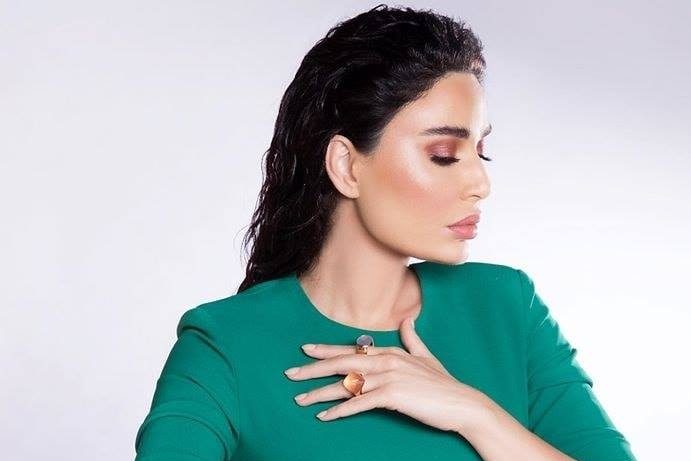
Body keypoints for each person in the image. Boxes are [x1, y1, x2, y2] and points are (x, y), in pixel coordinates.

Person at [134, 4, 637, 461]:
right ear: (347, 166)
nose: (480, 184)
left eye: (481, 152)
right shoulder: (225, 344)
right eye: (444, 155)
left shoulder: (506, 306)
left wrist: (473, 412)